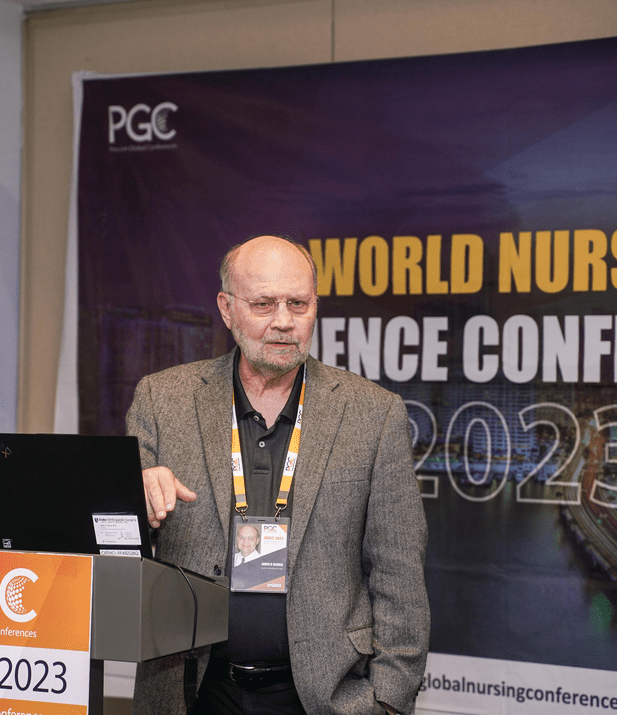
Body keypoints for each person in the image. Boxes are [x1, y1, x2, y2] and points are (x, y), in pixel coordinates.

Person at [126, 235, 429, 715]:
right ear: (227, 309)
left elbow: (399, 573)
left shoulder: (373, 413)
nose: (284, 321)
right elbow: (115, 553)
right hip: (190, 691)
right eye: (264, 304)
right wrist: (131, 502)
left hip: (325, 699)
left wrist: (389, 700)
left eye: (298, 304)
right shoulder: (163, 401)